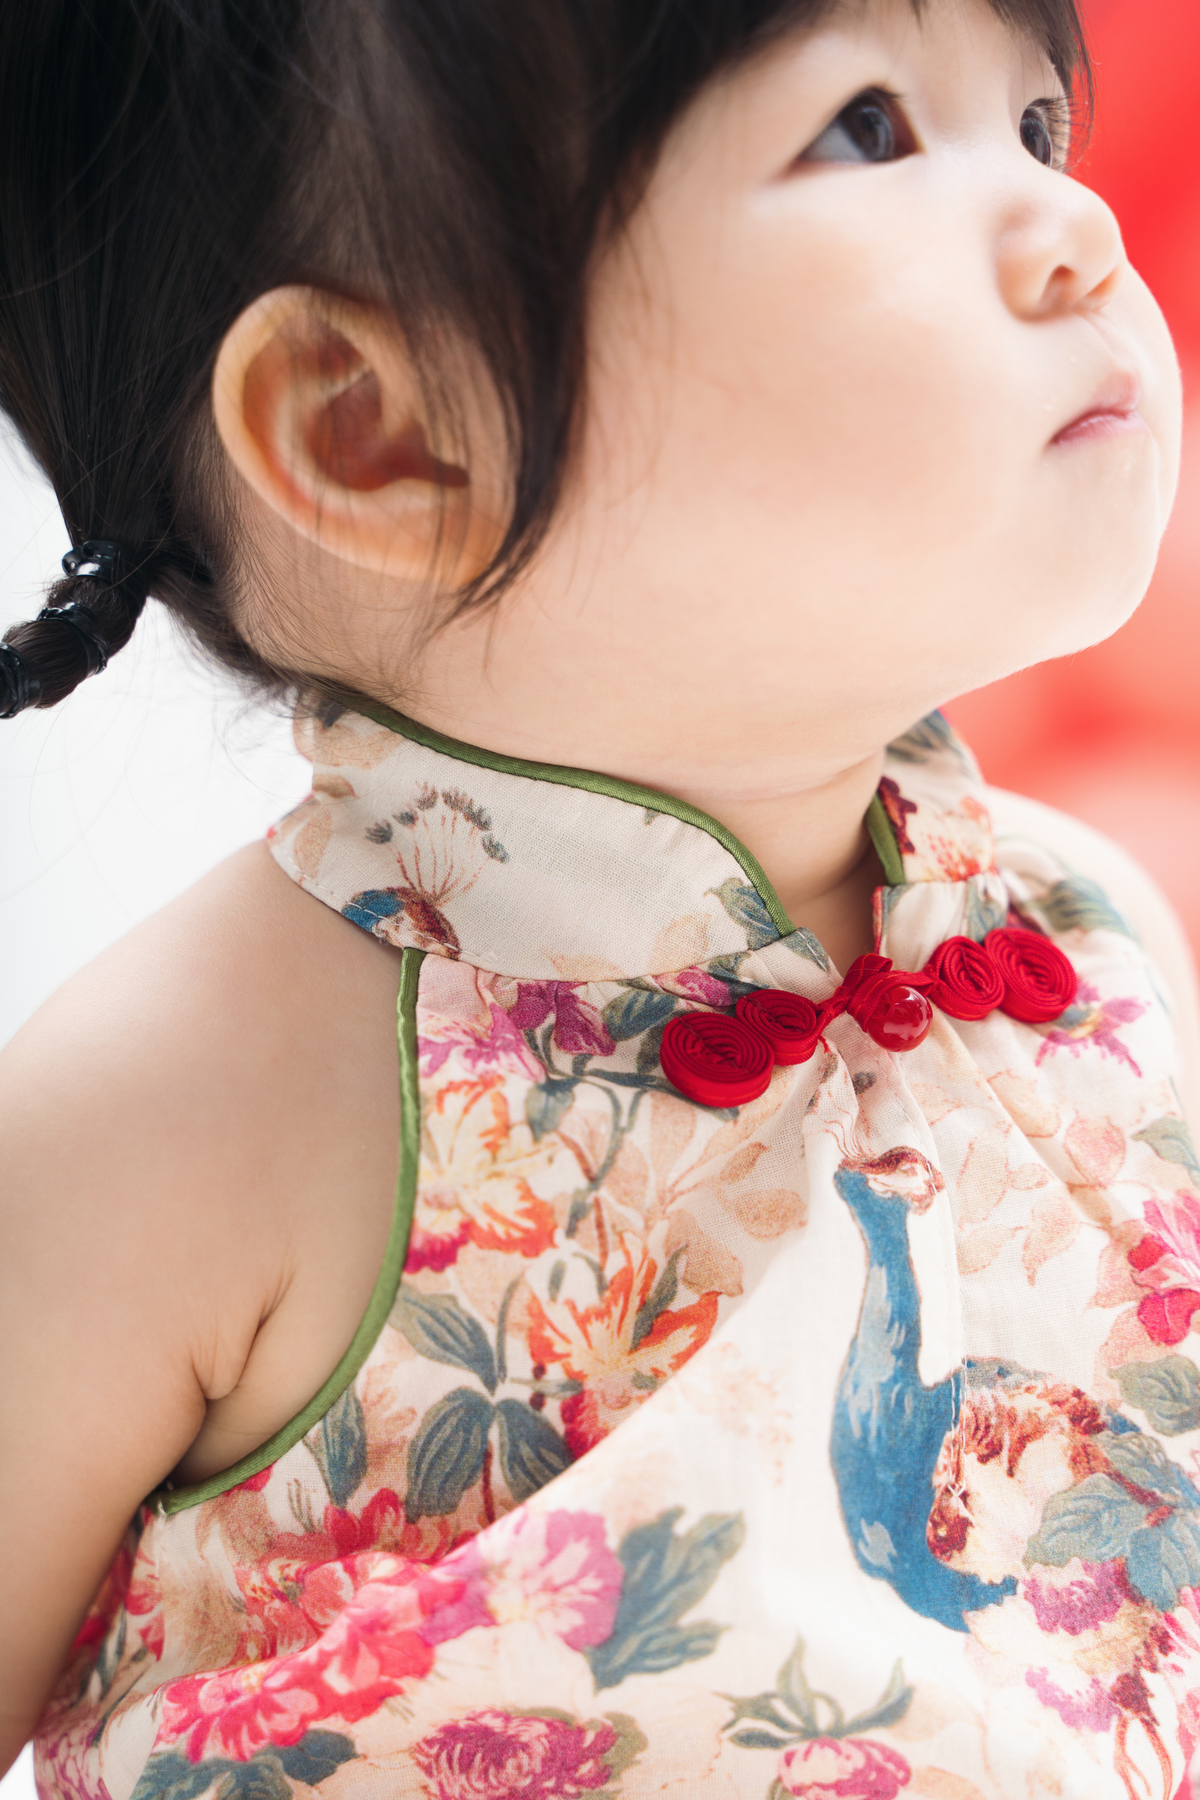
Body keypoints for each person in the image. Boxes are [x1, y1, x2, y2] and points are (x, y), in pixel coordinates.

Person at [2, 0, 1197, 1795]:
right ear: (385, 431)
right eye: (869, 126)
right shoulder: (185, 1108)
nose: (1076, 227)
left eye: (1035, 125)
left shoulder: (1088, 935)